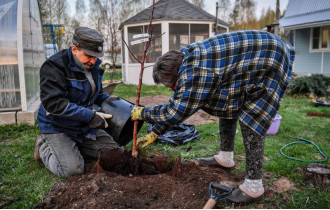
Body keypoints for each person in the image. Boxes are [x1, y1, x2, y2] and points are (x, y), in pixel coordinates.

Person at [131, 30, 295, 203]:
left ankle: (254, 188)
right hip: (249, 56)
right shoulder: (182, 59)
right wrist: (155, 132)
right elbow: (181, 102)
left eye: (170, 85)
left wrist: (144, 114)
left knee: (252, 119)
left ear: (178, 74)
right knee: (228, 103)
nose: (171, 88)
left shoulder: (194, 73)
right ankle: (225, 158)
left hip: (269, 57)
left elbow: (176, 111)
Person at [34, 27, 120, 178]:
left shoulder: (92, 65)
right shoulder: (54, 67)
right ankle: (43, 145)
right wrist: (90, 116)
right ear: (74, 49)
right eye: (89, 55)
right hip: (57, 126)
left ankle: (73, 147)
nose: (94, 61)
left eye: (96, 56)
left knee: (116, 155)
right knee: (73, 170)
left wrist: (106, 99)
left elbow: (94, 93)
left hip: (81, 125)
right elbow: (54, 104)